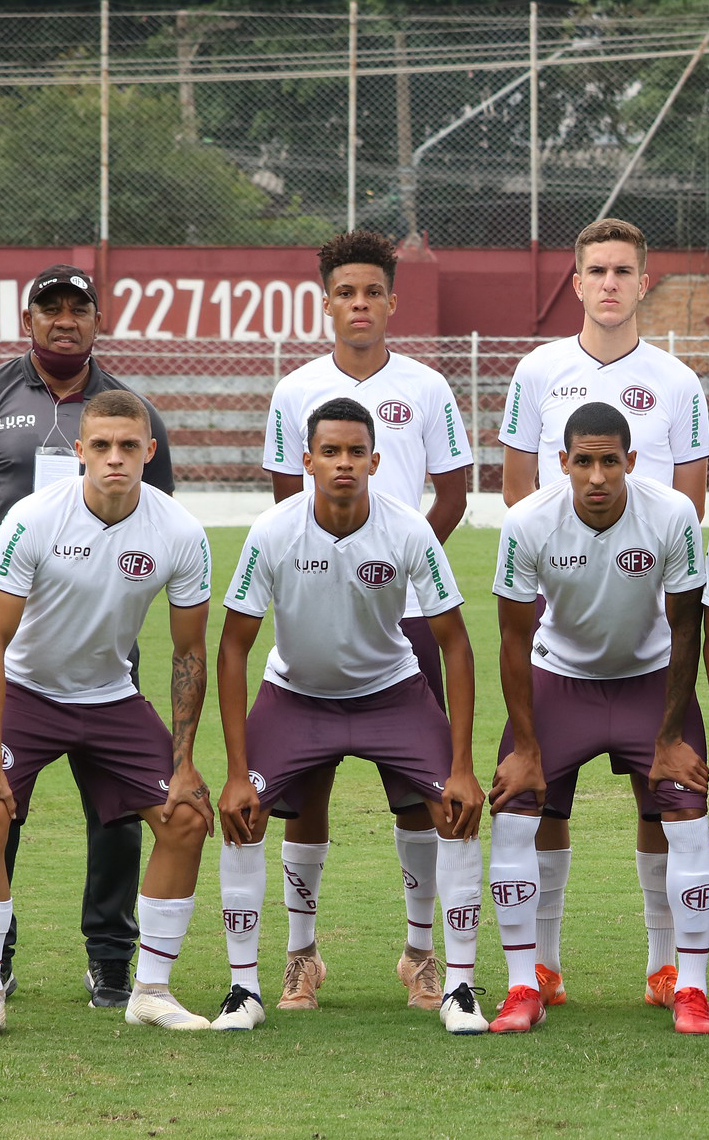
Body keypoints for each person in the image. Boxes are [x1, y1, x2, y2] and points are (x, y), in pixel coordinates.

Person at [0, 264, 175, 1011]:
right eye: (50, 308)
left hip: (101, 647)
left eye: (79, 308)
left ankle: (111, 960)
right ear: (27, 320)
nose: (64, 319)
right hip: (9, 643)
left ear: (99, 322)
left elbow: (156, 530)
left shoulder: (131, 413)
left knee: (121, 812)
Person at [216, 397, 486, 1034]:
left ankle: (454, 982)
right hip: (296, 697)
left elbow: (455, 642)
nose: (344, 464)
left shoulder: (408, 529)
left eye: (355, 452)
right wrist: (233, 771)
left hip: (390, 694)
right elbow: (232, 646)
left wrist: (465, 766)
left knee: (454, 807)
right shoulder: (274, 531)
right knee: (244, 812)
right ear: (306, 460)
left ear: (376, 460)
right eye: (330, 452)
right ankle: (252, 984)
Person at [0, 390, 214, 1042]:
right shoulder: (33, 519)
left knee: (186, 817)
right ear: (79, 452)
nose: (115, 459)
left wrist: (183, 764)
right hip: (26, 693)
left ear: (150, 453)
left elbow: (188, 655)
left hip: (110, 695)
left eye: (130, 446)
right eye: (101, 446)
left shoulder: (179, 532)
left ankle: (150, 990)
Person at [497, 218, 709, 1010]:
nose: (612, 282)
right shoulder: (536, 370)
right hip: (566, 615)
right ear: (578, 282)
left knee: (662, 801)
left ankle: (668, 966)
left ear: (643, 281)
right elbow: (520, 485)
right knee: (538, 805)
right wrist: (567, 568)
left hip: (648, 614)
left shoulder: (678, 381)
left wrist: (645, 570)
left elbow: (688, 497)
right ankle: (540, 967)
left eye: (626, 269)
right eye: (597, 270)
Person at [260, 231, 472, 1013]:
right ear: (327, 301)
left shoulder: (427, 386)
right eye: (344, 292)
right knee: (303, 791)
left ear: (392, 300)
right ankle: (301, 955)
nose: (359, 304)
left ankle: (420, 955)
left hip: (406, 617)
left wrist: (399, 567)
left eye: (371, 292)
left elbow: (451, 493)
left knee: (418, 794)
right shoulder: (296, 391)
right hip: (312, 618)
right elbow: (290, 503)